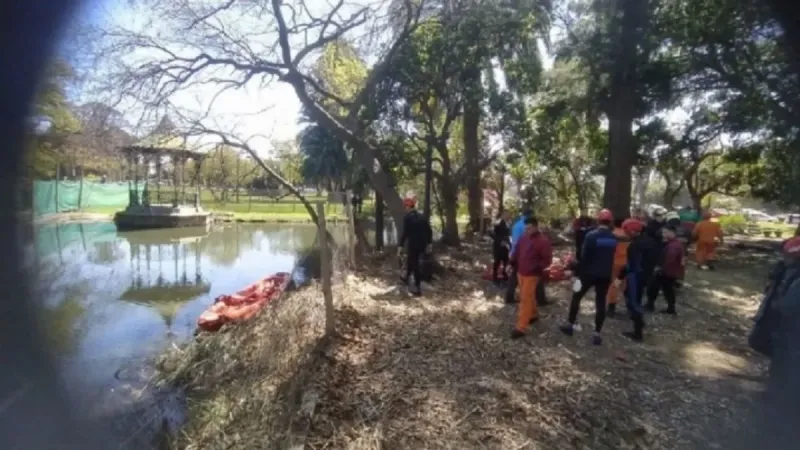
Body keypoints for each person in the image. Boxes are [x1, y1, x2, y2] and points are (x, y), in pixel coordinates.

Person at [560, 208, 618, 345]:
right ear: (610, 222)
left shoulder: (591, 236)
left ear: (598, 220)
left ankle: (570, 325)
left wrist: (575, 266)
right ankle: (597, 333)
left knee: (576, 295)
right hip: (604, 275)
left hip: (586, 273)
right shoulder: (613, 238)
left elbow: (584, 256)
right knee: (600, 302)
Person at [509, 216, 553, 339]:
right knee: (528, 296)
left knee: (525, 299)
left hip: (532, 275)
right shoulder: (523, 238)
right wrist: (512, 262)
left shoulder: (543, 241)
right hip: (520, 272)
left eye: (529, 229)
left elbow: (547, 260)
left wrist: (536, 268)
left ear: (535, 227)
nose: (526, 231)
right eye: (525, 228)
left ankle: (521, 327)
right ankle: (533, 315)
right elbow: (517, 252)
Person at [618, 218, 659, 342]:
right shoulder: (651, 241)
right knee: (636, 299)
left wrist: (620, 277)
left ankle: (637, 333)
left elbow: (631, 265)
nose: (625, 233)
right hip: (648, 276)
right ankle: (639, 323)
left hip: (636, 276)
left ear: (632, 231)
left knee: (633, 302)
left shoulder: (635, 245)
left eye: (626, 231)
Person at [398, 196, 433, 297]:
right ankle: (406, 278)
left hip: (413, 244)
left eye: (405, 207)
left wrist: (400, 245)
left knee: (415, 264)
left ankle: (417, 289)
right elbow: (429, 231)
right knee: (411, 260)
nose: (405, 209)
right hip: (423, 244)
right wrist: (429, 244)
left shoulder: (407, 218)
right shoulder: (422, 216)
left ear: (407, 207)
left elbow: (405, 233)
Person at [645, 225, 683, 315]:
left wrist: (660, 268)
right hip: (670, 271)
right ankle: (671, 308)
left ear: (672, 232)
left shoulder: (673, 245)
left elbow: (669, 258)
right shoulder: (674, 243)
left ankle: (650, 305)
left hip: (665, 271)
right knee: (668, 290)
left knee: (653, 287)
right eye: (663, 232)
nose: (663, 234)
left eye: (665, 232)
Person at [504, 208, 531, 304]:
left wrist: (512, 254)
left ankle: (509, 297)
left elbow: (514, 242)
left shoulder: (517, 225)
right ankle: (540, 299)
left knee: (515, 277)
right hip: (522, 254)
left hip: (516, 253)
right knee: (517, 276)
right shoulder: (527, 226)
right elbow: (518, 243)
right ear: (529, 215)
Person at [606, 218, 631, 318]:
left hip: (615, 265)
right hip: (626, 265)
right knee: (625, 285)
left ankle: (611, 308)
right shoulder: (629, 234)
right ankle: (630, 307)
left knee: (614, 285)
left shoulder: (612, 234)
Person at [491, 210, 512, 284]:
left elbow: (508, 234)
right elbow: (492, 233)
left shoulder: (509, 223)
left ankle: (505, 276)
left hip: (506, 246)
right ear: (503, 215)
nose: (508, 216)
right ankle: (495, 278)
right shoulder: (498, 222)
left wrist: (509, 242)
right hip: (498, 247)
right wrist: (500, 241)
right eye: (507, 214)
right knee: (497, 261)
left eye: (509, 215)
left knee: (506, 261)